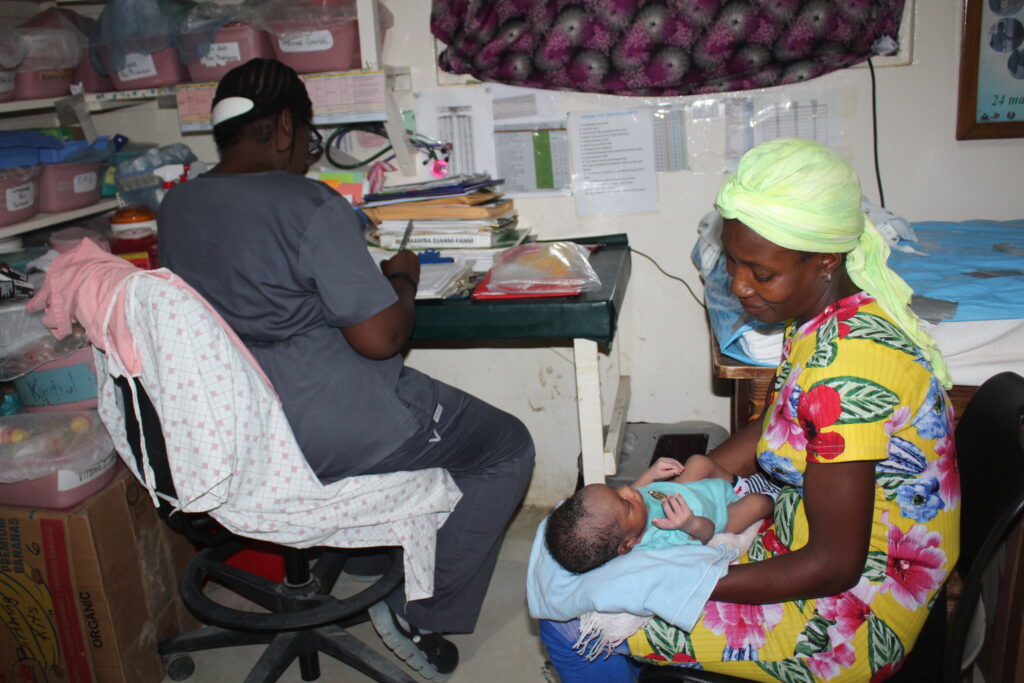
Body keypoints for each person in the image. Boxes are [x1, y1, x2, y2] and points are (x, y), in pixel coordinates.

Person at [157, 58, 535, 680]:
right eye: (308, 136)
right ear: (285, 126)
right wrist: (402, 280)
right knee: (505, 447)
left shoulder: (177, 207)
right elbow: (382, 339)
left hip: (234, 432)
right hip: (330, 428)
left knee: (425, 433)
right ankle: (420, 612)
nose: (307, 152)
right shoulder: (306, 203)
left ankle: (364, 561)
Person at [538, 137, 960, 682]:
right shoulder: (825, 321)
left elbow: (833, 566)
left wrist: (679, 580)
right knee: (576, 542)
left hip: (848, 614)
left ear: (826, 260)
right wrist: (709, 468)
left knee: (571, 619)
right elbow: (782, 417)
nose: (739, 286)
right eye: (734, 262)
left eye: (761, 274)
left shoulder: (846, 373)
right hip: (802, 534)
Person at [545, 455, 776, 574]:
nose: (627, 491)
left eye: (615, 489)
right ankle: (772, 497)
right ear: (629, 543)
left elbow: (633, 493)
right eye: (625, 503)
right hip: (718, 515)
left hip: (686, 491)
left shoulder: (628, 514)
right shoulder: (659, 539)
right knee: (757, 504)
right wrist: (690, 524)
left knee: (698, 462)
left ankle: (738, 484)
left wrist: (651, 474)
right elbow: (707, 534)